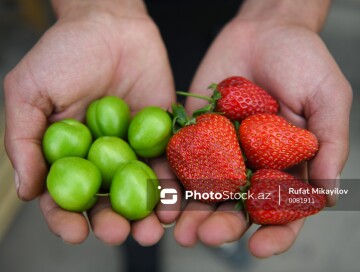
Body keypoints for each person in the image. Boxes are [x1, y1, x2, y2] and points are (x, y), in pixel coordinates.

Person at [3, 0, 352, 260]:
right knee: (142, 216)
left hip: (237, 16)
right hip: (130, 25)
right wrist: (95, 9)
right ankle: (145, 257)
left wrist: (284, 14)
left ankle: (197, 238)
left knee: (171, 192)